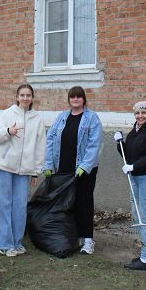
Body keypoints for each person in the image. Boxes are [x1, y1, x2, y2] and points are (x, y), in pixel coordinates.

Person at [43, 86, 103, 255]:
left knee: (84, 203)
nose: (75, 99)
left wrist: (84, 166)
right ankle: (72, 237)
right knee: (66, 204)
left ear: (83, 99)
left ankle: (88, 240)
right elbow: (50, 138)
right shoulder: (62, 117)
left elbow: (94, 144)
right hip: (63, 168)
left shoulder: (92, 118)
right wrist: (48, 164)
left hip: (84, 170)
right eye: (72, 97)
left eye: (79, 97)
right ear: (69, 99)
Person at [0, 84, 46, 256]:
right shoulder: (8, 114)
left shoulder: (37, 119)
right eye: (22, 95)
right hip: (5, 166)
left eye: (28, 95)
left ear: (32, 97)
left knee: (20, 206)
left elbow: (40, 147)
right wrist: (8, 131)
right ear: (17, 96)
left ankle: (16, 242)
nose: (25, 98)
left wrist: (35, 171)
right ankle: (5, 244)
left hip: (25, 170)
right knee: (4, 204)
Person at [116, 100, 146, 271]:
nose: (140, 116)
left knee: (144, 217)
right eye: (137, 113)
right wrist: (120, 144)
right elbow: (128, 154)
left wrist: (134, 166)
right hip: (135, 177)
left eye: (144, 113)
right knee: (137, 215)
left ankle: (145, 260)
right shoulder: (136, 130)